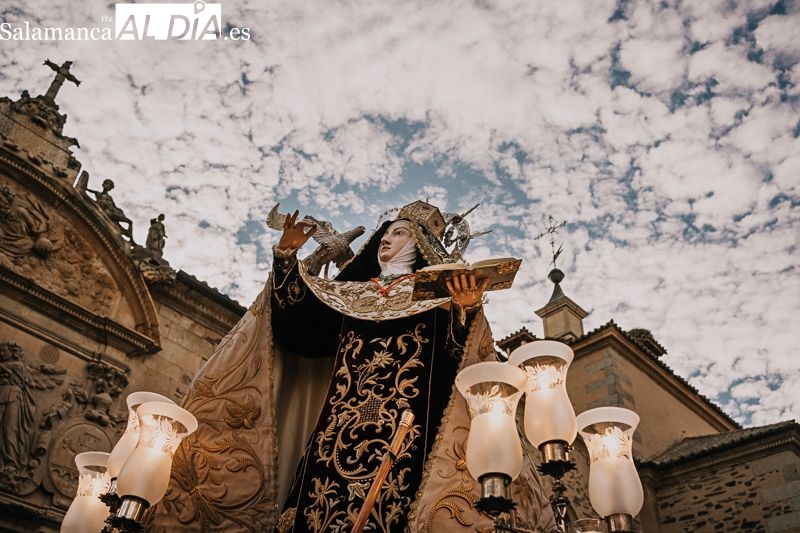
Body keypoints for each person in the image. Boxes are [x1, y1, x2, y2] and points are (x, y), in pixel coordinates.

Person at [147, 201, 554, 533]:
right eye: (385, 232)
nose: (385, 240)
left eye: (398, 233)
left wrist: (466, 312)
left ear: (420, 244)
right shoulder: (351, 296)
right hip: (333, 434)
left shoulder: (436, 299)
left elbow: (458, 365)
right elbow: (298, 327)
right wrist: (286, 257)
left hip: (408, 435)